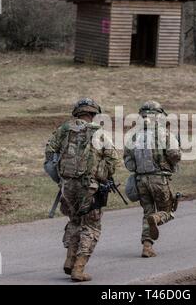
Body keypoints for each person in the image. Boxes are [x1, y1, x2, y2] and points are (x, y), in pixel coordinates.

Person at [44, 98, 118, 282]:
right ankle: (78, 269)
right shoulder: (99, 133)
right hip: (89, 187)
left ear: (77, 112)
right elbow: (112, 159)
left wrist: (61, 178)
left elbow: (50, 154)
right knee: (91, 226)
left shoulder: (63, 130)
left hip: (67, 186)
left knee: (75, 221)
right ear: (93, 114)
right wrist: (102, 176)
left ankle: (70, 260)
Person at [123, 101, 181, 258]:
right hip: (159, 179)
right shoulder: (164, 134)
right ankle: (156, 219)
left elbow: (128, 162)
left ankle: (147, 247)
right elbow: (175, 155)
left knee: (147, 212)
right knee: (167, 211)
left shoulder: (133, 136)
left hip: (141, 181)